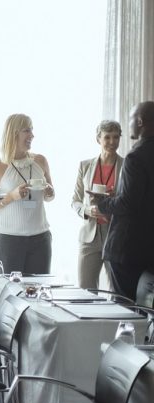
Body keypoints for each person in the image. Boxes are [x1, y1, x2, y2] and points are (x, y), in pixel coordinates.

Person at [95, 101, 154, 299]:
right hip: (149, 250)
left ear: (139, 122)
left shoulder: (135, 157)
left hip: (128, 250)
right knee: (147, 311)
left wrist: (101, 202)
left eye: (130, 120)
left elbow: (128, 203)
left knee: (124, 309)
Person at [0, 114, 54, 274]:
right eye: (27, 131)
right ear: (14, 133)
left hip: (40, 238)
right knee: (9, 293)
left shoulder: (41, 161)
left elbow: (50, 196)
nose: (32, 135)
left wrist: (49, 192)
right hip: (8, 240)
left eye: (32, 130)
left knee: (38, 293)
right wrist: (11, 197)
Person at [71, 120, 123, 289]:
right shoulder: (84, 166)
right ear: (98, 139)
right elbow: (75, 201)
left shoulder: (127, 166)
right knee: (85, 291)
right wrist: (87, 210)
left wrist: (116, 199)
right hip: (89, 237)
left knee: (117, 291)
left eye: (116, 137)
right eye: (107, 137)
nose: (112, 142)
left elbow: (131, 201)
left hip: (115, 234)